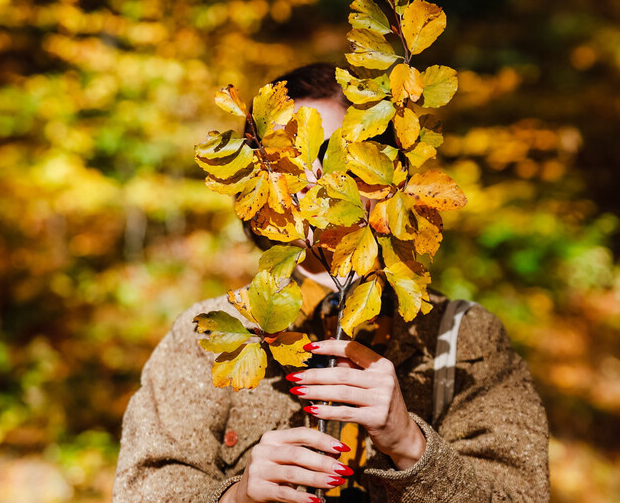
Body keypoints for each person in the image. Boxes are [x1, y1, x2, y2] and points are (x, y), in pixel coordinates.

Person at [114, 64, 550, 503]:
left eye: (339, 153)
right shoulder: (206, 339)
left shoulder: (465, 339)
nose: (315, 177)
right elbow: (144, 489)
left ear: (385, 171)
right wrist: (237, 498)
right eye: (287, 161)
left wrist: (409, 444)